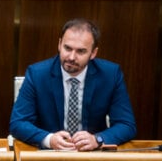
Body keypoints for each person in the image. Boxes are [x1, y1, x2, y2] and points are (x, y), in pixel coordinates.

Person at [10, 18, 136, 150]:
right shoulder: (37, 74)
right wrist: (49, 139)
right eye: (67, 48)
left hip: (92, 157)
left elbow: (126, 125)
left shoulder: (110, 75)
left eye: (80, 51)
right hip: (49, 157)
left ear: (93, 53)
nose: (71, 57)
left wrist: (97, 139)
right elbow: (18, 123)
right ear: (59, 44)